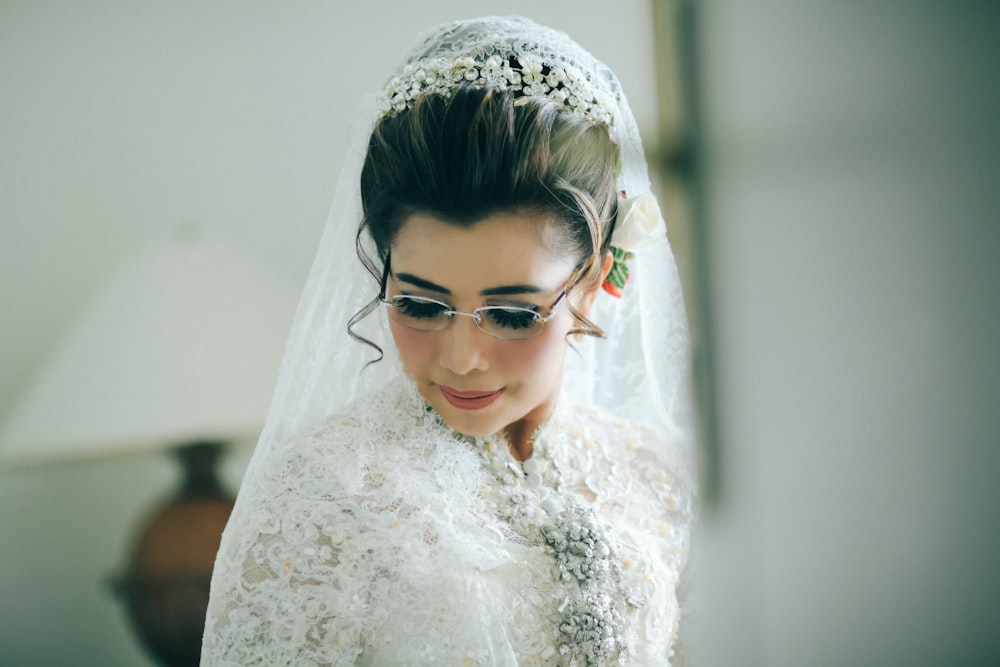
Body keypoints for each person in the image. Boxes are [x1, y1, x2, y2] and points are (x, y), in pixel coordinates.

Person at [202, 15, 695, 666]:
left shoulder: (657, 476)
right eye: (421, 304)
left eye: (514, 313)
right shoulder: (323, 500)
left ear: (594, 281)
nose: (462, 358)